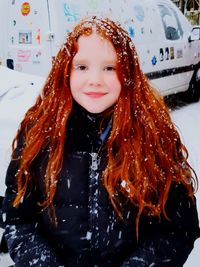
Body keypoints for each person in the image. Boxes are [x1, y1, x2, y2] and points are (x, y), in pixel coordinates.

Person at [2, 16, 200, 267]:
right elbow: (19, 220)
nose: (95, 79)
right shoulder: (38, 133)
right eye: (82, 67)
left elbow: (178, 229)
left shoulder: (155, 134)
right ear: (65, 70)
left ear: (128, 72)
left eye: (110, 67)